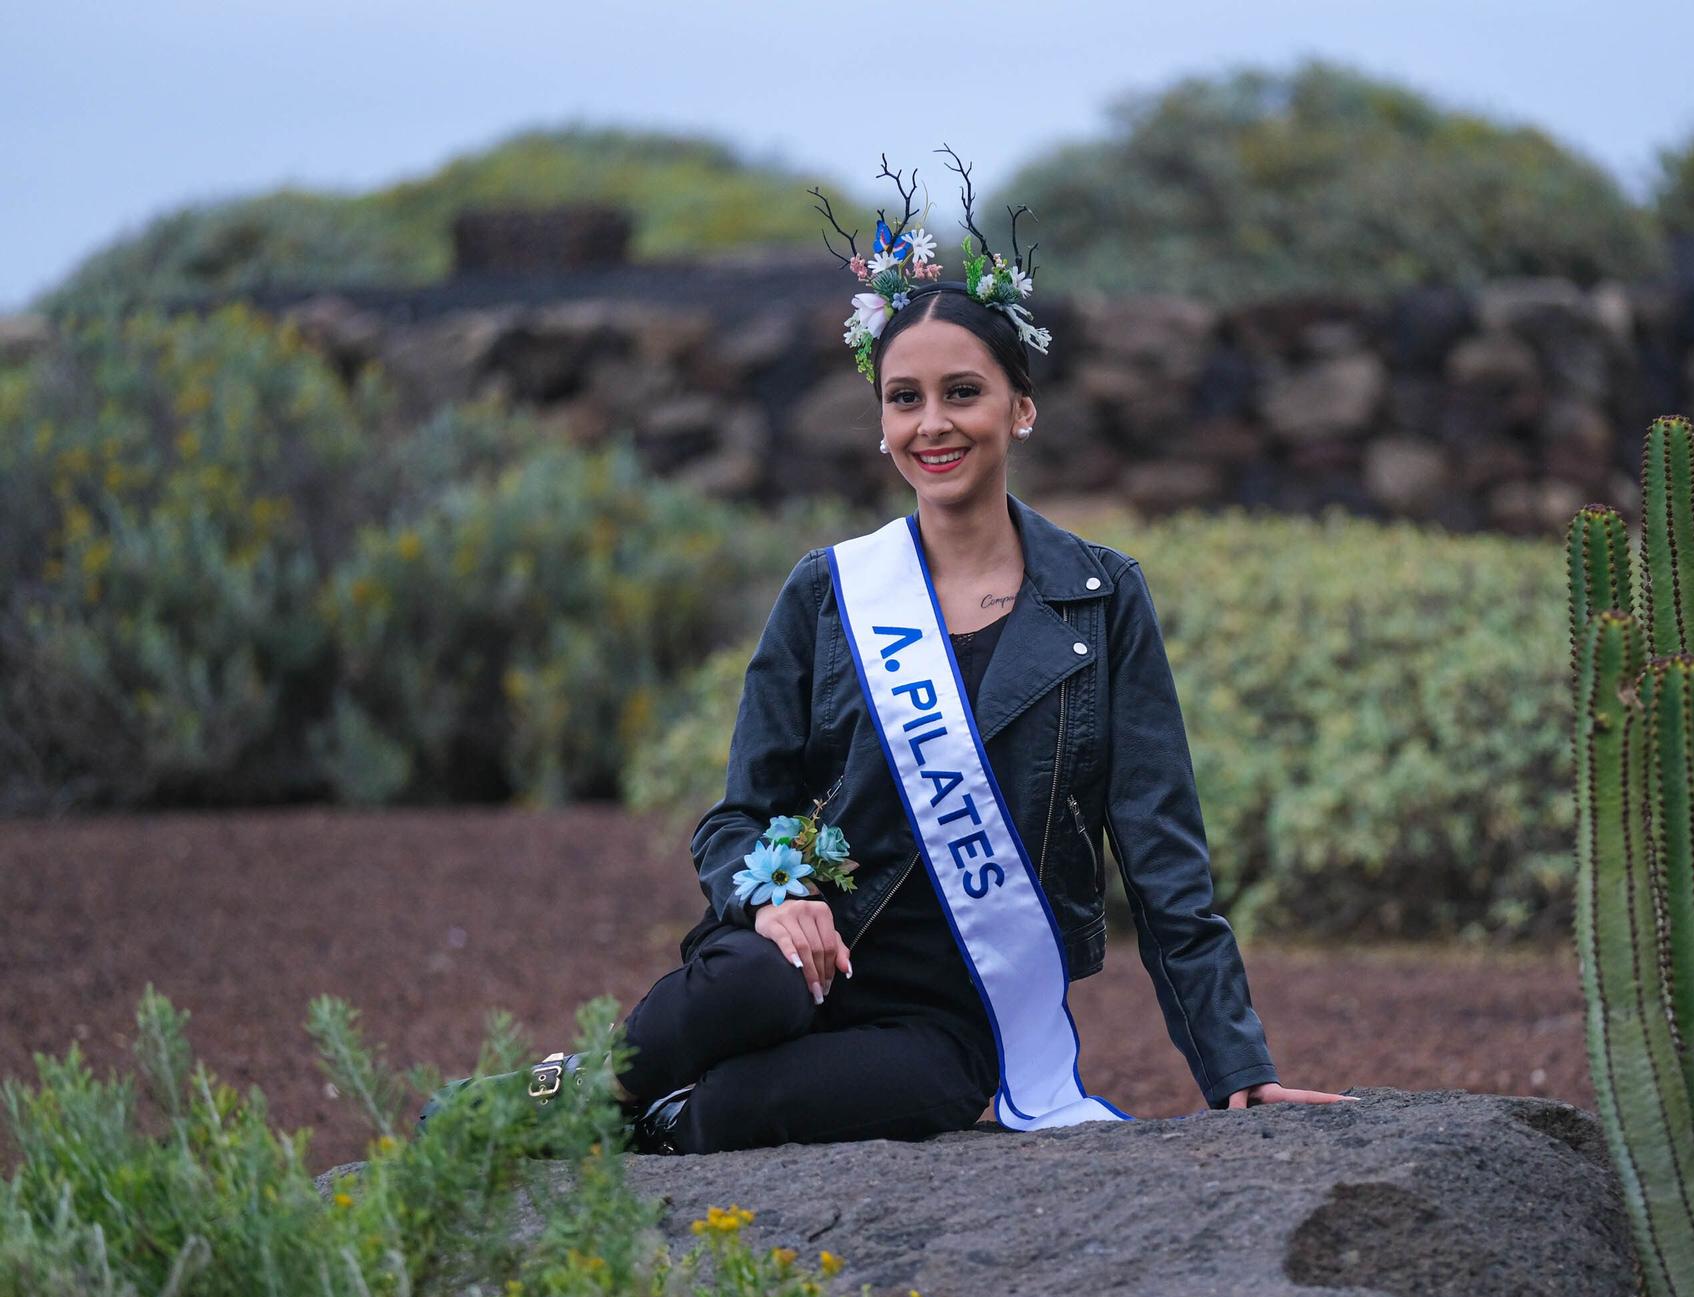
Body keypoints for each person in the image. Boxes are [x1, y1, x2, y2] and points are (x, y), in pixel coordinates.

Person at [418, 147, 1355, 1154]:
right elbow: (738, 815)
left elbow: (1161, 850)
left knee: (895, 1095)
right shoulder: (829, 591)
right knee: (746, 986)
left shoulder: (1100, 596)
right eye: (904, 398)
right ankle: (544, 1099)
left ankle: (666, 1120)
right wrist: (774, 900)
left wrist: (1235, 1066)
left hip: (945, 1010)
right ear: (880, 422)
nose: (932, 423)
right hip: (803, 956)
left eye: (963, 392)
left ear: (1020, 409)